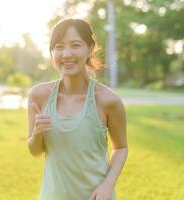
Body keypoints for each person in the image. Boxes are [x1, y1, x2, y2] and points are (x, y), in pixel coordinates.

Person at [27, 18, 128, 200]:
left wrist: (108, 184)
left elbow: (120, 148)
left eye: (75, 45)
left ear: (90, 48)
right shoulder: (39, 96)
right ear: (51, 52)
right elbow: (34, 151)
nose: (66, 54)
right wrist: (37, 133)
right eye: (58, 47)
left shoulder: (108, 100)